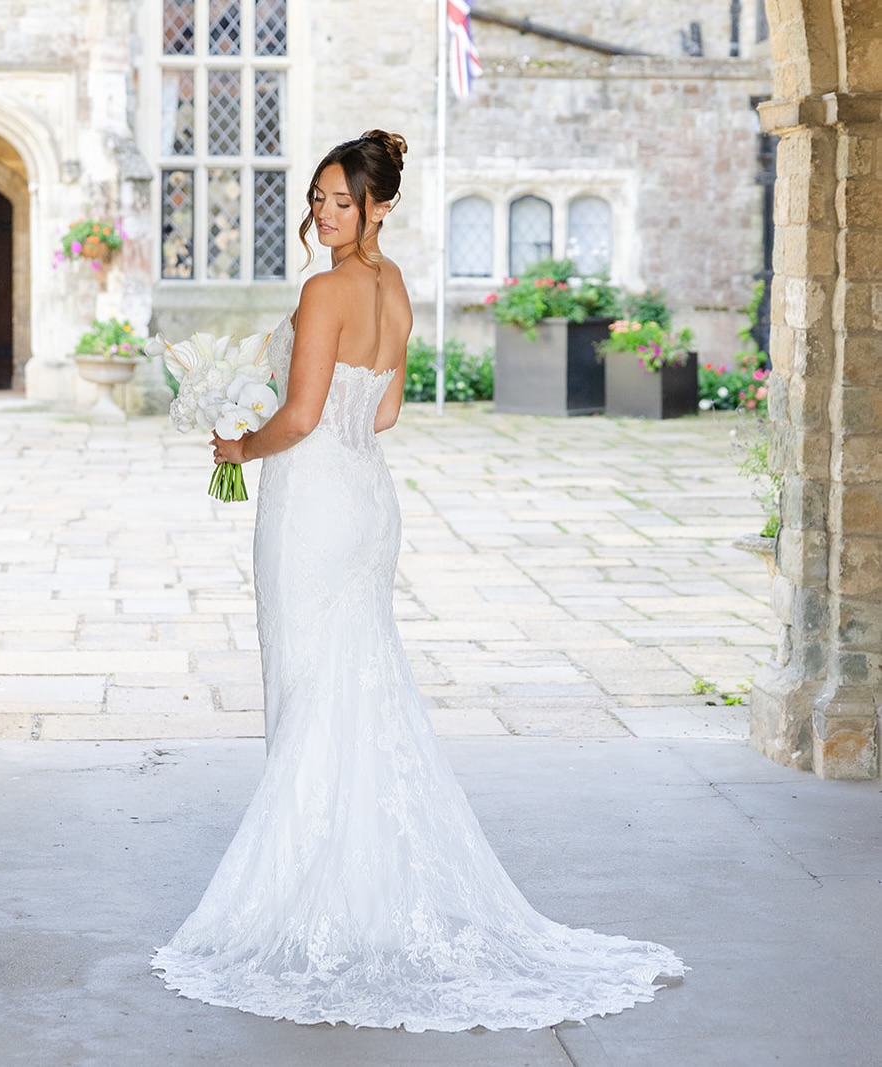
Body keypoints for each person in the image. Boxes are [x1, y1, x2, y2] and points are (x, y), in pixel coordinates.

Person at [152, 130, 684, 1031]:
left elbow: (303, 415)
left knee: (309, 682)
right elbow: (385, 409)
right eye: (318, 199)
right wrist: (283, 417)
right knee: (355, 680)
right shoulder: (392, 289)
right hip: (366, 501)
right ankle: (363, 883)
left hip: (312, 504)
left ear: (379, 205)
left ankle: (308, 893)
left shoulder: (323, 290)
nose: (324, 215)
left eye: (341, 202)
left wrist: (240, 439)